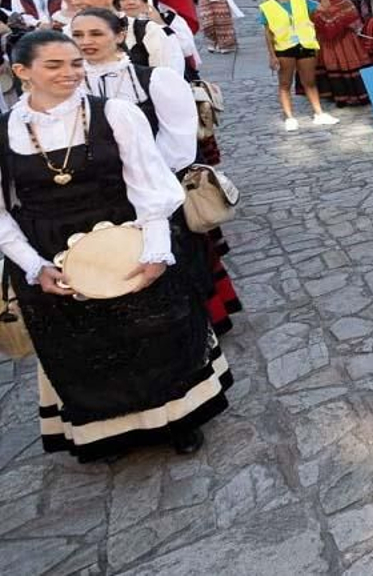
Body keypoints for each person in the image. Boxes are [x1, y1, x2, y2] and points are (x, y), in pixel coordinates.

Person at [0, 31, 230, 460]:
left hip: (127, 235)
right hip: (48, 248)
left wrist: (156, 250)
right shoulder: (5, 131)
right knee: (82, 347)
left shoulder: (116, 113)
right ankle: (107, 432)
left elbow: (150, 185)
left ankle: (177, 418)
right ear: (21, 71)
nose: (69, 73)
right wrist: (32, 265)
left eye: (74, 63)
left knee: (154, 334)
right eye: (54, 65)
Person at [71, 8, 243, 335]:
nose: (86, 42)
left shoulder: (154, 79)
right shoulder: (71, 88)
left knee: (179, 264)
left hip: (159, 191)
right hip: (104, 196)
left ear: (119, 35)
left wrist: (139, 178)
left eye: (96, 34)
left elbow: (179, 143)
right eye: (78, 35)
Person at [260, 0, 338, 131]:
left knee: (310, 82)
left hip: (306, 45)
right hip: (284, 48)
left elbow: (325, 8)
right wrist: (272, 55)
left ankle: (319, 113)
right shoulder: (267, 7)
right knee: (285, 84)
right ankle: (289, 117)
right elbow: (268, 33)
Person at [312, 0, 373, 107]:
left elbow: (351, 16)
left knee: (348, 65)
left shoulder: (341, 1)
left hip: (345, 40)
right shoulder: (315, 4)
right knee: (335, 67)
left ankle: (358, 96)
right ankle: (341, 97)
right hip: (329, 43)